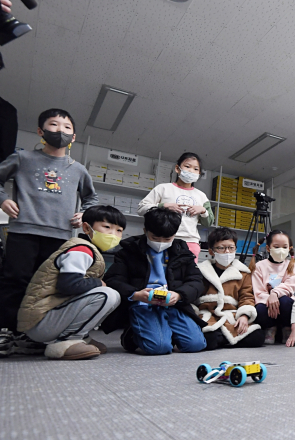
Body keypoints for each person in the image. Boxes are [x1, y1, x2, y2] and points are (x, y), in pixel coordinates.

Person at [0, 108, 98, 357]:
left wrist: (84, 214)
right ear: (41, 131)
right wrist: (2, 199)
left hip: (61, 237)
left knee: (47, 287)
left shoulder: (78, 169)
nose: (60, 131)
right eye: (54, 125)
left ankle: (35, 334)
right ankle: (6, 331)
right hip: (24, 231)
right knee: (15, 280)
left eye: (67, 128)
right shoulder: (22, 158)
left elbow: (91, 198)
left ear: (73, 137)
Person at [16, 206, 125, 360]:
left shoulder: (89, 249)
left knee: (109, 294)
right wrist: (98, 283)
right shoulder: (81, 250)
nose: (113, 234)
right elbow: (68, 285)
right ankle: (66, 341)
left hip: (48, 317)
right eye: (107, 227)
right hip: (40, 321)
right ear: (87, 227)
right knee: (108, 295)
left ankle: (81, 337)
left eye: (119, 230)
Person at [102, 207, 206, 355]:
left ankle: (161, 331)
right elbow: (113, 279)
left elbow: (196, 281)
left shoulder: (182, 251)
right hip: (142, 303)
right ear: (145, 231)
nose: (161, 243)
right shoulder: (129, 251)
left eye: (167, 239)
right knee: (159, 348)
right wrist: (136, 294)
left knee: (195, 345)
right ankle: (133, 333)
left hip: (173, 303)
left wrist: (179, 295)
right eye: (155, 238)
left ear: (174, 235)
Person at [195, 227, 265, 349]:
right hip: (207, 314)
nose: (227, 252)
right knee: (208, 337)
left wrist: (244, 315)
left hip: (231, 315)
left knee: (257, 336)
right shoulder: (201, 271)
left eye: (231, 248)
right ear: (212, 251)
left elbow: (247, 296)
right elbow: (194, 296)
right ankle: (223, 339)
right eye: (221, 248)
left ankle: (221, 339)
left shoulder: (243, 273)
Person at [138, 152, 213, 262]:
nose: (191, 171)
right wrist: (163, 206)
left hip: (190, 242)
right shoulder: (163, 188)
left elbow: (209, 223)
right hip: (162, 240)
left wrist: (203, 211)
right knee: (159, 275)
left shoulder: (201, 196)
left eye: (196, 169)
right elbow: (141, 208)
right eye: (187, 166)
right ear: (177, 168)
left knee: (187, 277)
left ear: (199, 173)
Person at [250, 230, 295, 344]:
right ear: (268, 248)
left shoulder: (291, 265)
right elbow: (258, 291)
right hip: (267, 305)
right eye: (276, 247)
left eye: (284, 247)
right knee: (259, 309)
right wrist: (270, 300)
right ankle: (270, 328)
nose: (281, 250)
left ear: (289, 248)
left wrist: (274, 294)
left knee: (286, 302)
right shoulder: (259, 266)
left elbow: (290, 286)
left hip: (283, 304)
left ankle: (286, 329)